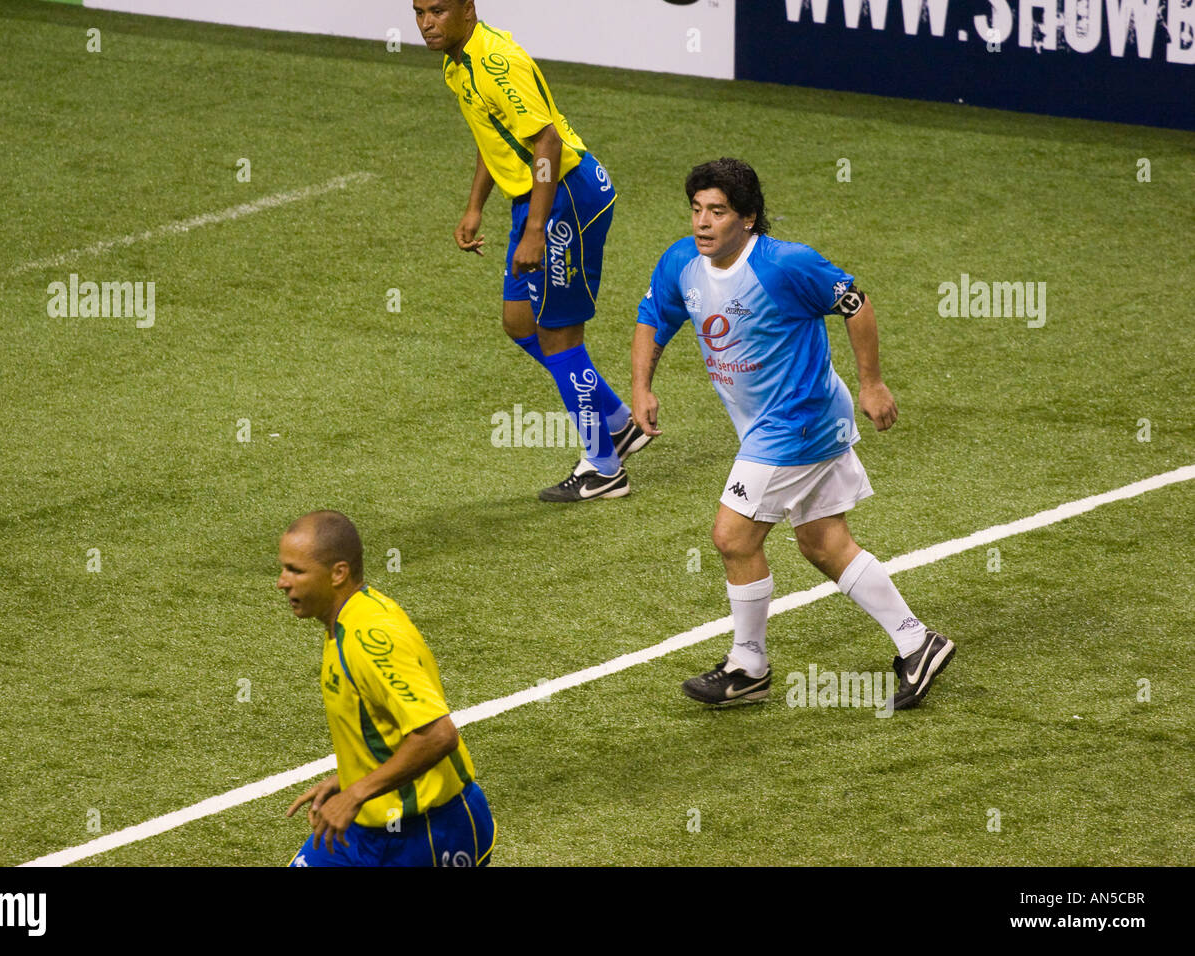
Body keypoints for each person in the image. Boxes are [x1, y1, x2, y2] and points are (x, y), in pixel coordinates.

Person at [631, 158, 955, 711]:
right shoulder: (681, 262)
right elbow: (653, 319)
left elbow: (854, 302)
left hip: (799, 420)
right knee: (823, 543)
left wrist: (872, 383)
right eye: (697, 210)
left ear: (749, 218)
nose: (703, 223)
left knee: (732, 536)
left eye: (718, 211)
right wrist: (641, 387)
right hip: (775, 425)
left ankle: (747, 665)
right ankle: (916, 642)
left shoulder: (786, 265)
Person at [415, 0, 650, 501]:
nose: (426, 23)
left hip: (565, 196)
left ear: (467, 10)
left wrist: (538, 228)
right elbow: (493, 136)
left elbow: (547, 143)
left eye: (437, 10)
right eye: (418, 12)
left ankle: (603, 468)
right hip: (536, 200)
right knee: (520, 323)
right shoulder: (457, 63)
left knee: (560, 337)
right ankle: (616, 422)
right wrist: (475, 205)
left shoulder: (498, 63)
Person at [278, 510, 495, 865]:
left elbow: (438, 735)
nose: (282, 582)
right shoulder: (352, 616)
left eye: (296, 571)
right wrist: (352, 775)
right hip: (365, 830)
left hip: (427, 833)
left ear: (338, 574)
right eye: (284, 568)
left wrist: (357, 792)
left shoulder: (369, 640)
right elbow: (385, 722)